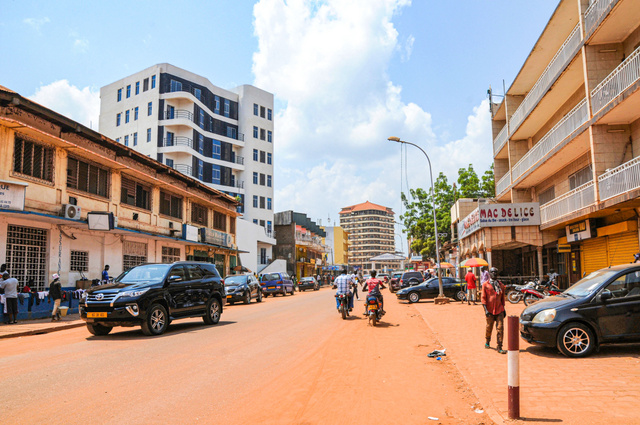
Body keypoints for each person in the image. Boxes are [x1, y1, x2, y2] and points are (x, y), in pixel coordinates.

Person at [481, 267, 506, 354]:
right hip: (490, 310)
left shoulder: (501, 285)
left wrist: (504, 309)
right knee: (489, 327)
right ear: (490, 274)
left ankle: (499, 346)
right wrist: (486, 310)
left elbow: (502, 298)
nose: (494, 274)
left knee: (500, 328)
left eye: (496, 272)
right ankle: (487, 341)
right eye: (492, 272)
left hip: (499, 310)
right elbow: (483, 298)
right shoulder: (485, 285)